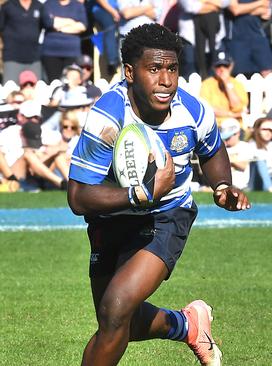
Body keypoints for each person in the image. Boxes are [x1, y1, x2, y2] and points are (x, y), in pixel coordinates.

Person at [67, 23, 251, 366]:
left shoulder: (191, 111)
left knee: (115, 309)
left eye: (172, 69)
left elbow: (212, 149)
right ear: (130, 72)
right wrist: (141, 193)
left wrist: (222, 186)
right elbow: (78, 197)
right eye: (154, 69)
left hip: (167, 215)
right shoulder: (109, 116)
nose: (166, 80)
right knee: (124, 323)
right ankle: (188, 325)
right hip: (111, 220)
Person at [40, 0, 88, 83]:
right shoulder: (48, 4)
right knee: (53, 84)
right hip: (51, 52)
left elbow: (82, 26)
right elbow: (49, 23)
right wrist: (72, 22)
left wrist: (59, 28)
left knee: (71, 83)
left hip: (72, 52)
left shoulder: (78, 6)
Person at [225, 0, 272, 77]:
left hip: (258, 37)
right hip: (236, 39)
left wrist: (243, 9)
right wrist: (260, 3)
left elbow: (265, 11)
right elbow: (235, 10)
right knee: (240, 76)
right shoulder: (259, 2)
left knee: (267, 72)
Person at [199, 50, 249, 127]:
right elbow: (208, 109)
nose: (222, 69)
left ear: (230, 67)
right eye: (218, 66)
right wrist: (233, 115)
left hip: (235, 126)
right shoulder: (207, 84)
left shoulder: (237, 84)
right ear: (213, 67)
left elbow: (238, 107)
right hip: (215, 126)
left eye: (225, 66)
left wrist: (226, 83)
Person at [0, 0, 45, 83]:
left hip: (34, 58)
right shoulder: (8, 6)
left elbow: (43, 26)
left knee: (34, 91)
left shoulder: (39, 6)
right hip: (12, 57)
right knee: (10, 90)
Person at [219, 117, 254, 190]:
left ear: (238, 133)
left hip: (242, 186)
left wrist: (225, 158)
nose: (226, 140)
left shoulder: (245, 147)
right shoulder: (220, 148)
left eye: (228, 138)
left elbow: (244, 166)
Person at [92, 0, 122, 78]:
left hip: (118, 11)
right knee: (110, 30)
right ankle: (112, 62)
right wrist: (114, 12)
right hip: (102, 10)